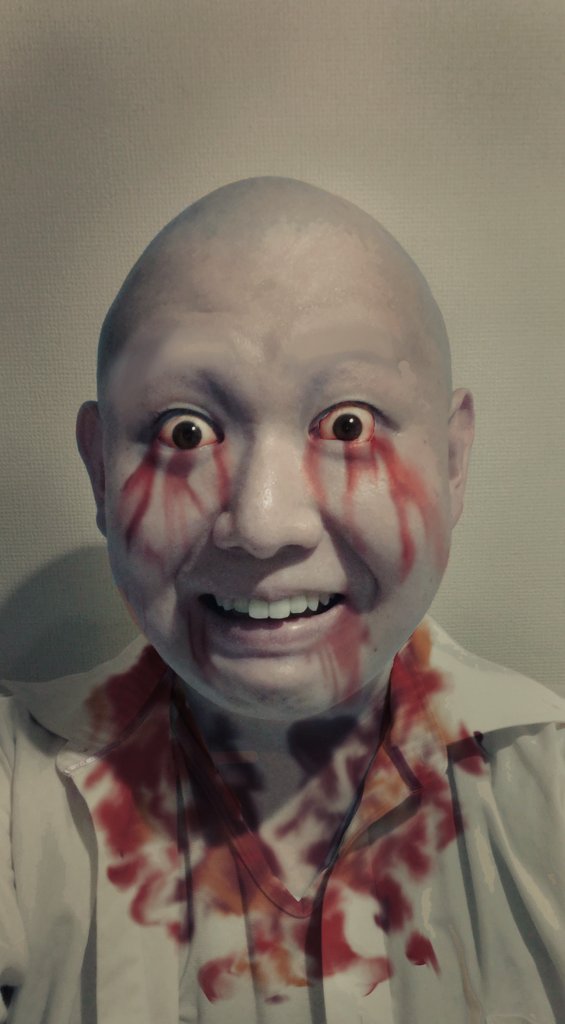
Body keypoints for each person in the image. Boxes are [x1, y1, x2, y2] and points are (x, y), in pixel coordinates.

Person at [1, 177, 564, 1024]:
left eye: (347, 426)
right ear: (100, 473)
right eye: (185, 432)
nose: (263, 526)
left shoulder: (548, 794)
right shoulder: (15, 804)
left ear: (452, 464)